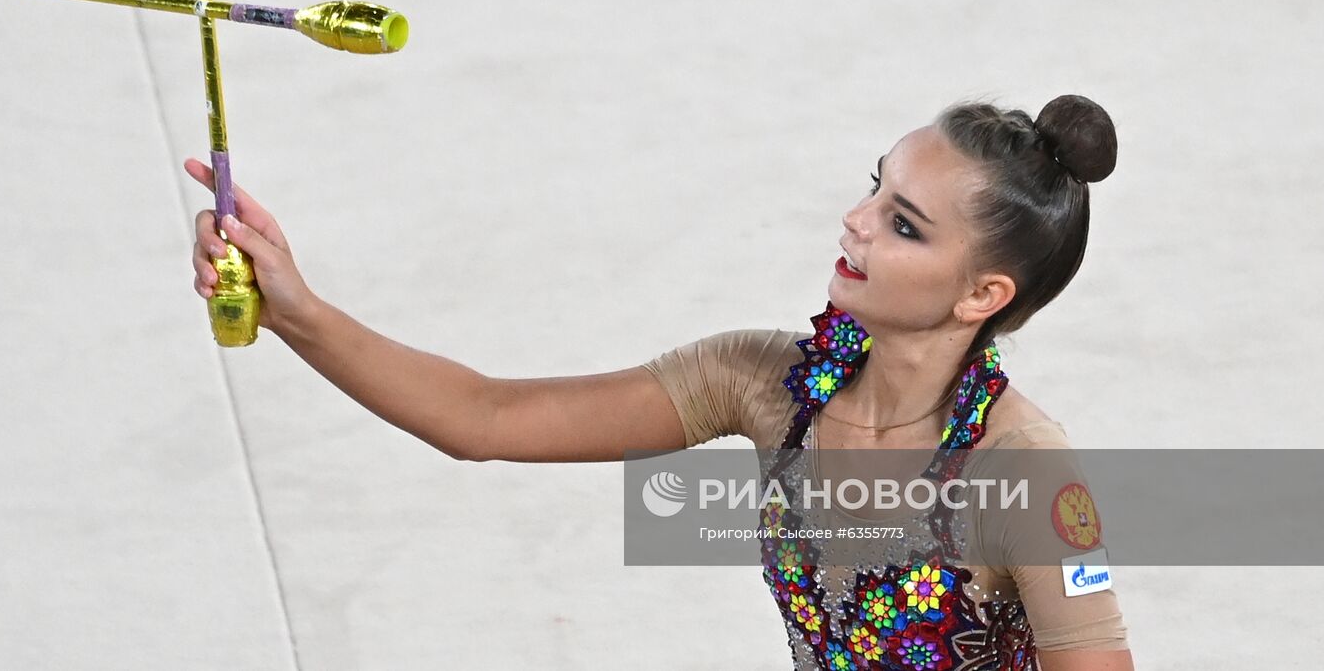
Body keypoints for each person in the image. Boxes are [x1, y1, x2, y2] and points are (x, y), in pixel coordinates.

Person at [185, 94, 1134, 671]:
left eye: (904, 225)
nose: (854, 221)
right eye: (873, 188)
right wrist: (296, 309)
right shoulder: (764, 382)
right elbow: (485, 416)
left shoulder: (1026, 472)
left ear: (984, 293)